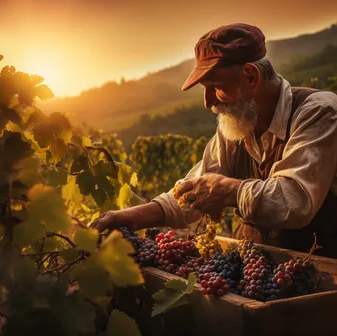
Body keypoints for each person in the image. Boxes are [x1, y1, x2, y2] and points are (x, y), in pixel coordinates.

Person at [93, 23, 337, 258]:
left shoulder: (317, 112)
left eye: (215, 86)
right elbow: (193, 191)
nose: (207, 101)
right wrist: (130, 217)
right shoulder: (238, 125)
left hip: (322, 281)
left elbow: (295, 201)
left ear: (251, 77)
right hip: (256, 276)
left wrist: (227, 190)